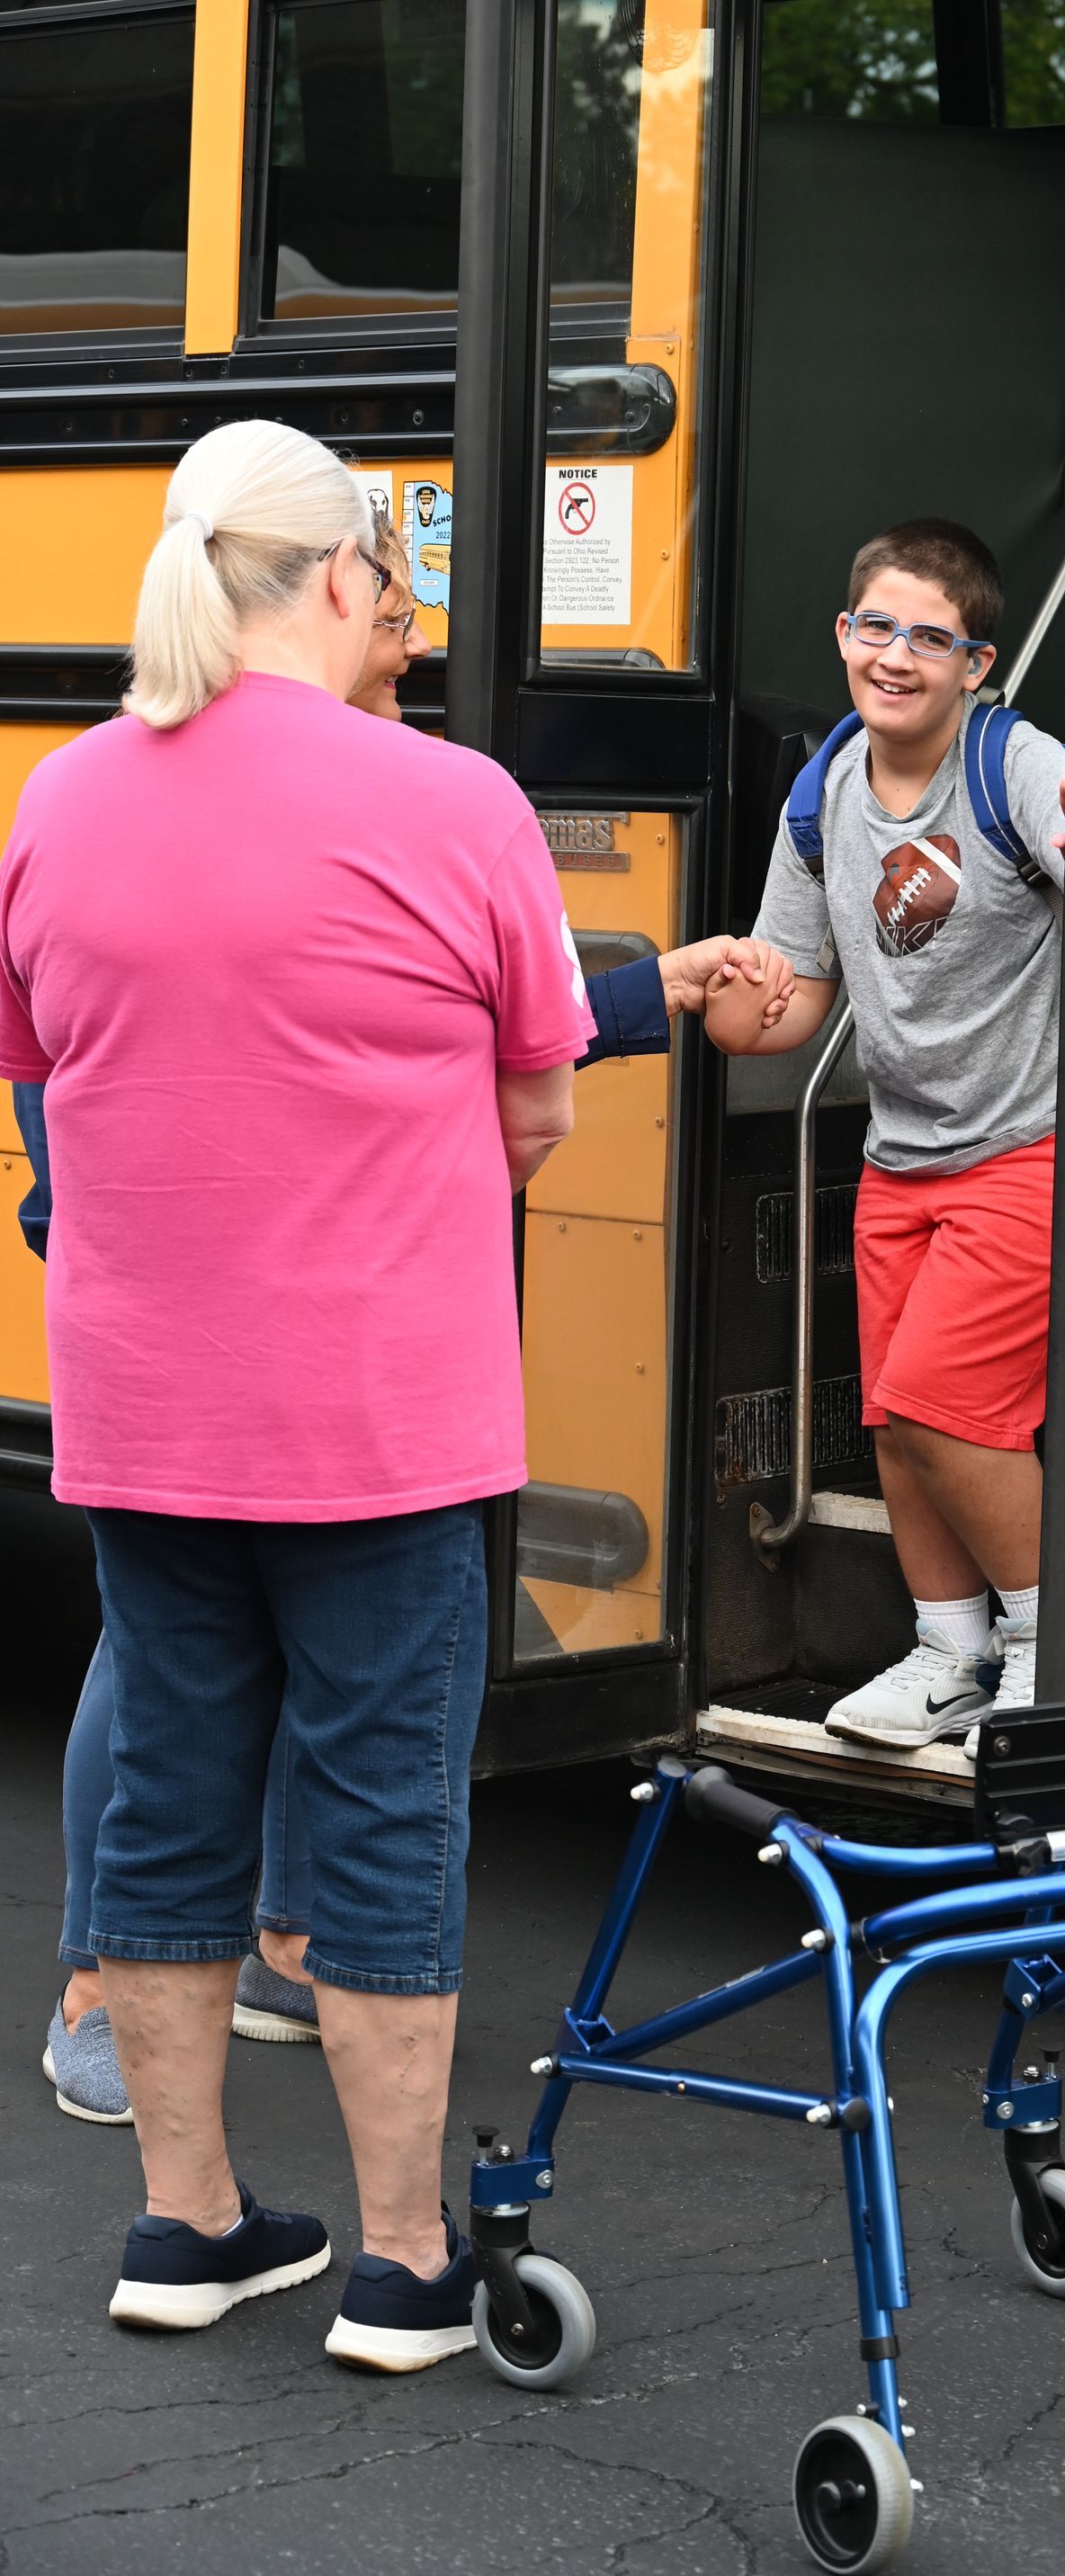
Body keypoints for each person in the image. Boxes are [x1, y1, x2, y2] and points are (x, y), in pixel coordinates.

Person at [0, 417, 790, 2366]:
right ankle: (401, 2261)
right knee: (375, 1828)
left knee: (171, 1820)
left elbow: (52, 1078)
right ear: (349, 577)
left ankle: (183, 2232)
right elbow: (531, 1104)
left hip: (141, 1419)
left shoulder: (61, 800)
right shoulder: (454, 806)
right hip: (377, 1419)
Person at [30, 508, 438, 2126]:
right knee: (164, 1668)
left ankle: (271, 1944)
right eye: (393, 600)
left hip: (225, 1299)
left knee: (225, 1651)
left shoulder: (364, 779)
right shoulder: (134, 789)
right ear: (326, 587)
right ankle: (89, 1985)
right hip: (202, 1303)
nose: (408, 629)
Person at [703, 518, 1065, 1749]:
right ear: (842, 638)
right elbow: (797, 998)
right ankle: (951, 1648)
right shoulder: (824, 790)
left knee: (943, 1403)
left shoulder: (1014, 764)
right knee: (896, 1422)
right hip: (909, 1148)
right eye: (875, 627)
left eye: (929, 635)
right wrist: (733, 1008)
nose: (895, 654)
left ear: (979, 662)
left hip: (1050, 1129)